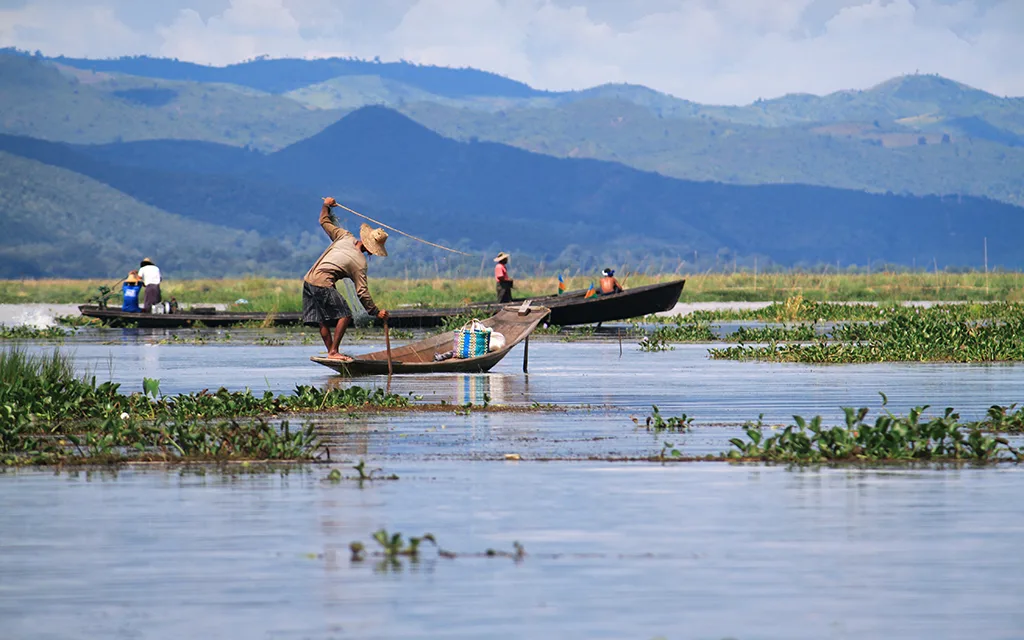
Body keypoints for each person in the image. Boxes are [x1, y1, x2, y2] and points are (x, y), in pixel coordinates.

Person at [303, 197, 389, 361]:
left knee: (322, 320)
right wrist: (376, 312)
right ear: (372, 250)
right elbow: (362, 292)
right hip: (323, 282)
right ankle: (334, 352)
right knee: (346, 315)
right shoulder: (360, 262)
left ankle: (331, 353)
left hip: (308, 280)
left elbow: (323, 220)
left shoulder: (344, 236)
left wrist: (326, 205)